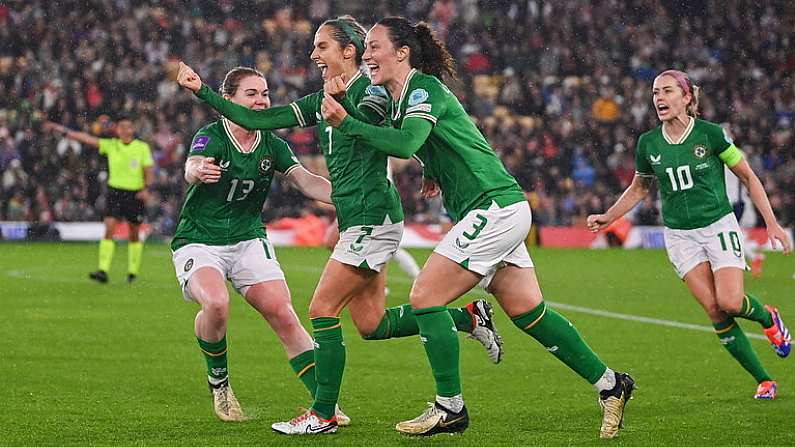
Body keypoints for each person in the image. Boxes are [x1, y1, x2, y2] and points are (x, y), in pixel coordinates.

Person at [176, 15, 502, 435]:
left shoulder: (370, 92)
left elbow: (387, 128)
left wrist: (346, 108)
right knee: (372, 324)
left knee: (320, 310)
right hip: (356, 218)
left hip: (373, 218)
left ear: (348, 51)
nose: (314, 54)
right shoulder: (318, 101)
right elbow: (259, 121)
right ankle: (468, 318)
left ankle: (322, 413)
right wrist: (201, 89)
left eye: (323, 47)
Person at [320, 16, 634, 439]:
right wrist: (433, 168)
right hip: (495, 208)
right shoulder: (399, 98)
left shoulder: (422, 88)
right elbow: (434, 142)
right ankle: (611, 384)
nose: (368, 55)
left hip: (493, 207)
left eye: (375, 47)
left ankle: (451, 407)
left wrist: (346, 122)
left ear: (402, 52)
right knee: (529, 313)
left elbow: (405, 145)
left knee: (425, 296)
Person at [587, 69, 792, 400]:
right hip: (680, 236)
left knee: (729, 301)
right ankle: (764, 380)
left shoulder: (711, 135)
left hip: (718, 226)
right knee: (714, 310)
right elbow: (640, 187)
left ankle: (768, 317)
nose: (659, 98)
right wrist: (609, 217)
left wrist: (772, 223)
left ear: (687, 98)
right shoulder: (649, 143)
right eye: (655, 93)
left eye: (667, 91)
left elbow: (748, 177)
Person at [170, 66, 352, 423]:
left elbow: (307, 182)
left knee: (283, 313)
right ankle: (219, 382)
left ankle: (323, 405)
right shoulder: (212, 135)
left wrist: (353, 199)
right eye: (251, 94)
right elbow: (192, 164)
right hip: (200, 241)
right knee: (218, 305)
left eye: (265, 94)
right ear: (229, 100)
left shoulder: (272, 143)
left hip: (248, 238)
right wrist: (197, 171)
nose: (261, 101)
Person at [43, 117, 153, 283]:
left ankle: (132, 272)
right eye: (121, 127)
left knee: (134, 233)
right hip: (115, 192)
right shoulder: (111, 145)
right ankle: (103, 270)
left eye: (128, 127)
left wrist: (146, 189)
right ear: (117, 130)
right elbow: (86, 138)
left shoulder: (141, 147)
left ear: (132, 130)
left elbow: (149, 170)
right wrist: (62, 130)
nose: (124, 130)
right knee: (109, 228)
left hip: (134, 194)